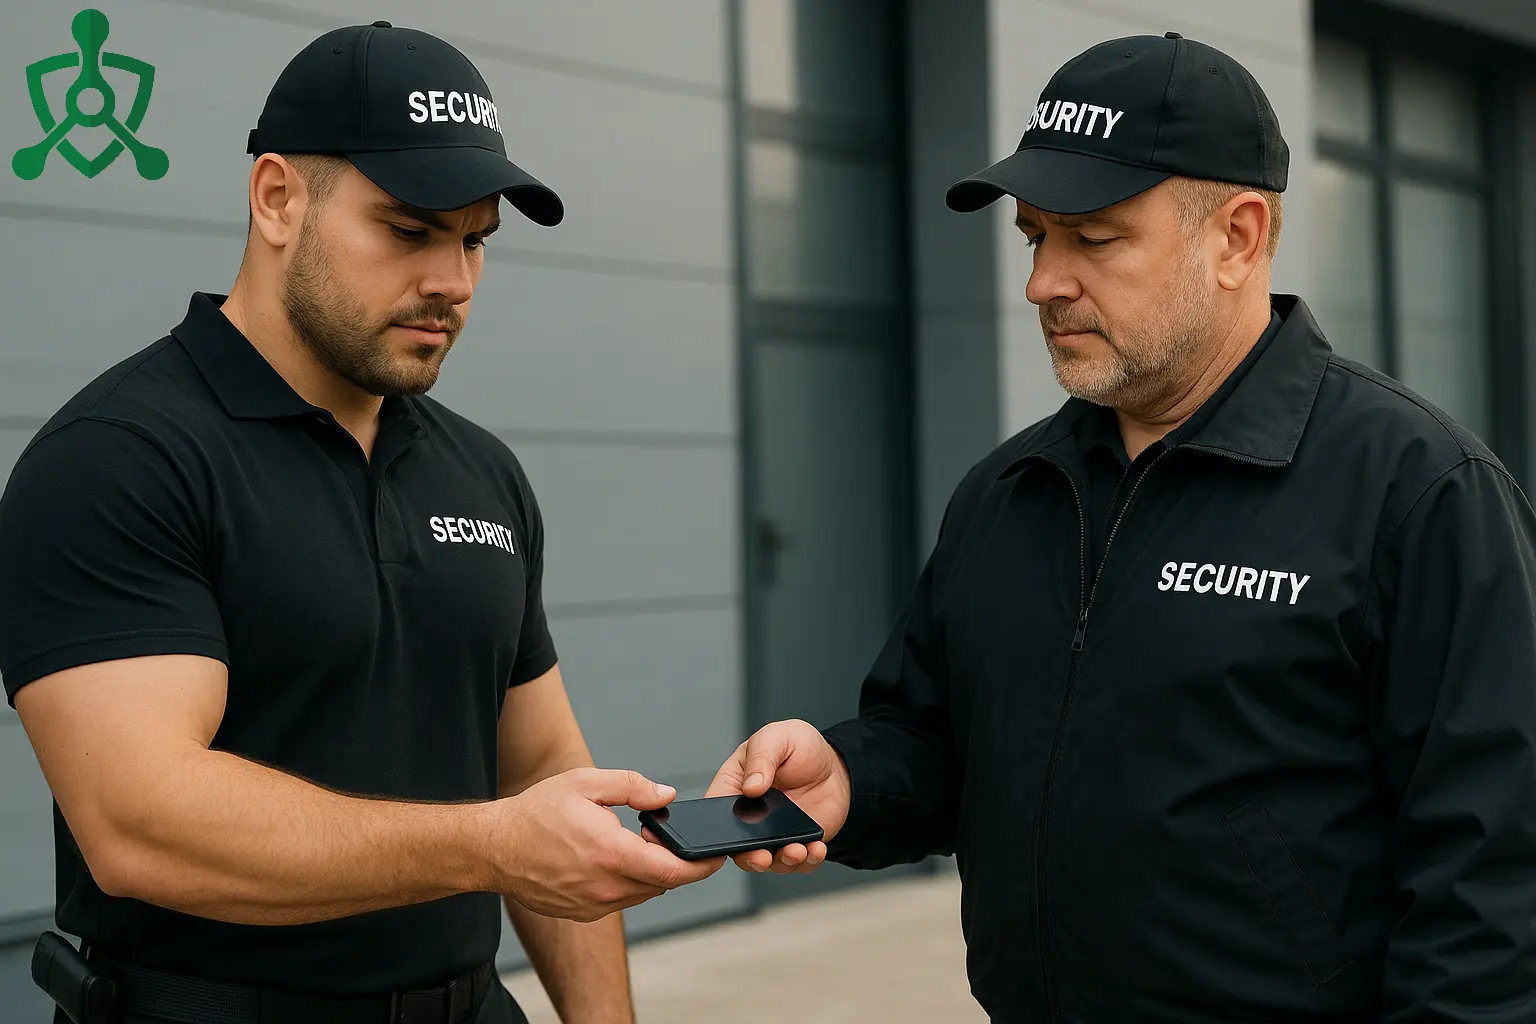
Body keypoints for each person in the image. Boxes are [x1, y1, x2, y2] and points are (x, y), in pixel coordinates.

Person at [700, 31, 1536, 1023]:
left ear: (1238, 237)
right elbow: (933, 741)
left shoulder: (1419, 493)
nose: (1043, 283)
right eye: (1035, 238)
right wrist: (848, 772)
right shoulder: (1009, 491)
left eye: (1092, 240)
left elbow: (1496, 886)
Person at [0, 21, 720, 1024]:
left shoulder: (483, 473)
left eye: (475, 242)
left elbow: (546, 772)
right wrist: (497, 843)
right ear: (278, 198)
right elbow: (141, 822)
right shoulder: (121, 457)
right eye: (409, 229)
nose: (453, 284)